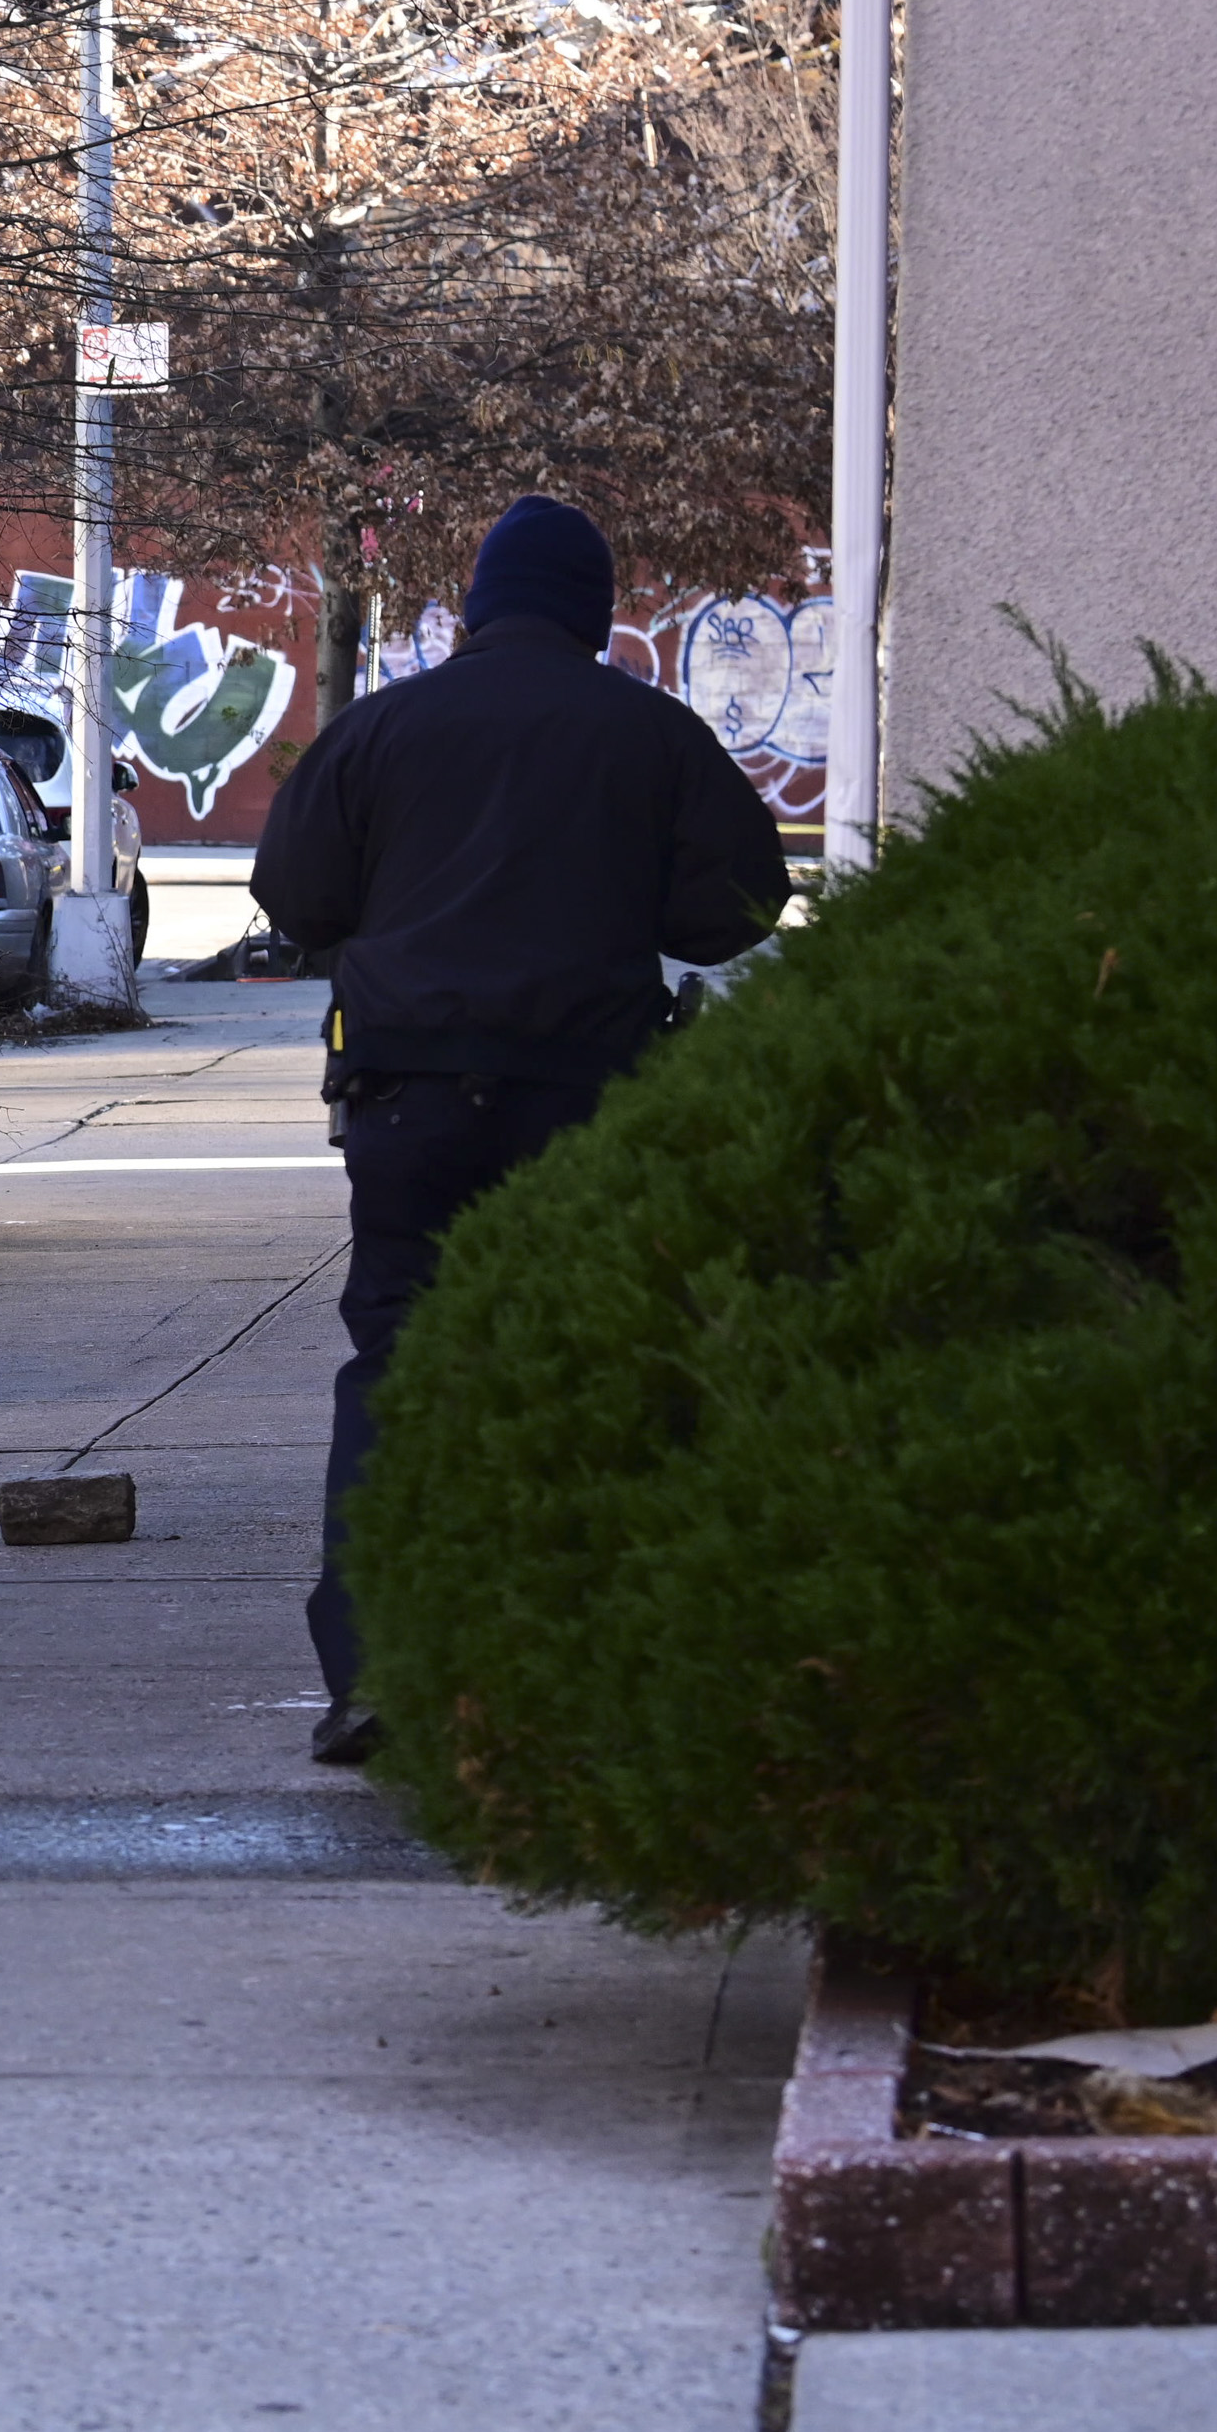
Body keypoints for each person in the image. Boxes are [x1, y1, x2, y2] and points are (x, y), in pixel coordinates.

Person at [254, 492, 790, 1764]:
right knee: (588, 1359)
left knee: (394, 1362)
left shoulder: (378, 730)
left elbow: (290, 895)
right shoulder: (648, 736)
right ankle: (573, 1668)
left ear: (479, 603)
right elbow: (740, 905)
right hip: (581, 1105)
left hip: (404, 1103)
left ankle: (375, 1668)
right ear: (590, 613)